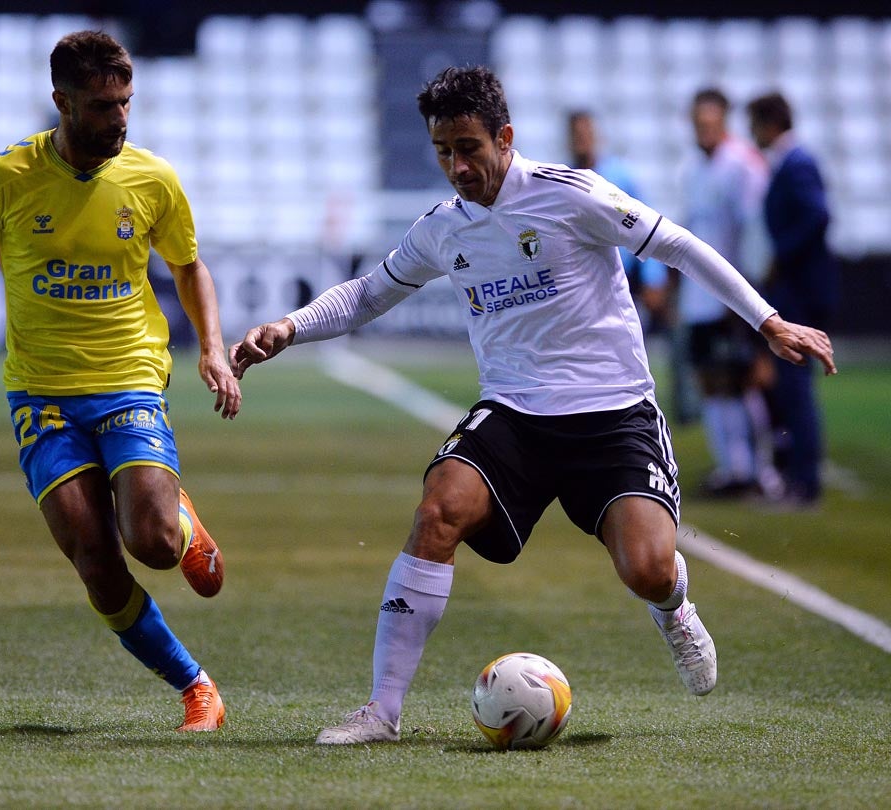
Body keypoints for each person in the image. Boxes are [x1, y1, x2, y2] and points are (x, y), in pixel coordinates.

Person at [231, 66, 836, 744]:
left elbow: (676, 245)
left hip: (612, 415)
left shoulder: (569, 195)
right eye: (442, 153)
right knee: (437, 510)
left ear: (505, 138)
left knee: (646, 568)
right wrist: (289, 325)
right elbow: (368, 293)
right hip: (515, 414)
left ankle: (672, 606)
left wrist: (767, 320)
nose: (457, 167)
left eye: (468, 148)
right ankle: (381, 711)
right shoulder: (443, 228)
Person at [0, 31, 241, 733]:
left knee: (151, 543)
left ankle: (178, 520)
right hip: (41, 394)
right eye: (101, 105)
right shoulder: (7, 177)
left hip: (128, 380)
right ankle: (196, 688)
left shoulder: (151, 179)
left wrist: (211, 348)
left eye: (125, 102)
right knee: (95, 556)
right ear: (61, 101)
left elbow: (188, 267)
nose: (119, 119)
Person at [678, 88, 780, 498]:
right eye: (698, 122)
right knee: (711, 381)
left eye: (710, 122)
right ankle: (731, 467)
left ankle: (762, 470)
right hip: (698, 294)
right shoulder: (693, 168)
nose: (703, 129)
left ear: (724, 121)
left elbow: (754, 232)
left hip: (733, 292)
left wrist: (751, 287)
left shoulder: (742, 165)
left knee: (743, 382)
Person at [747, 92, 839, 509]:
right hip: (798, 288)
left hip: (800, 291)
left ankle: (804, 483)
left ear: (768, 124)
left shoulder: (797, 164)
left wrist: (781, 256)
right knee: (790, 388)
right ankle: (798, 477)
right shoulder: (789, 163)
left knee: (795, 388)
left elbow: (818, 215)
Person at [567, 110, 668, 332]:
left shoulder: (619, 176)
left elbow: (645, 225)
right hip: (581, 281)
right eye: (576, 135)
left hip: (623, 277)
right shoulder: (562, 182)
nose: (582, 140)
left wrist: (653, 277)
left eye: (586, 134)